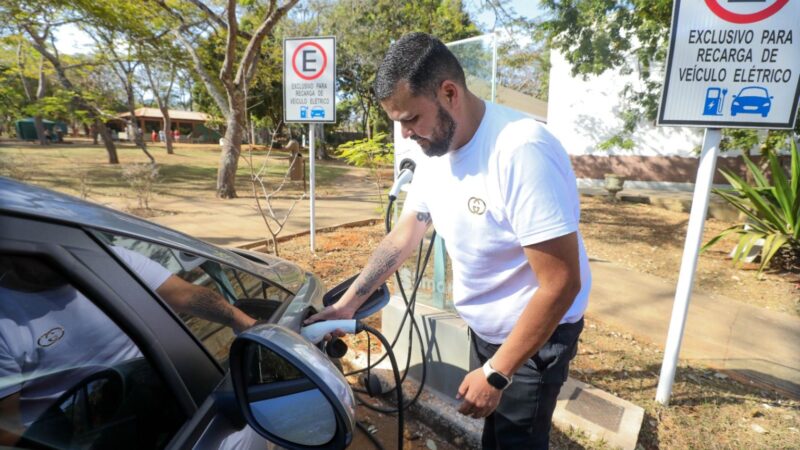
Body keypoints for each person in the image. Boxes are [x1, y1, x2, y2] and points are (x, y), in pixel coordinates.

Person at [305, 32, 591, 449]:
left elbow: (561, 283)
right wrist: (349, 302)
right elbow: (407, 231)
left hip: (536, 337)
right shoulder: (430, 150)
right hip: (487, 328)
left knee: (518, 440)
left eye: (410, 119)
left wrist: (497, 371)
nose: (404, 134)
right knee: (495, 433)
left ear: (449, 92)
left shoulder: (520, 150)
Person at [0, 247, 255, 446]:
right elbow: (8, 429)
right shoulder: (5, 319)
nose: (58, 255)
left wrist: (243, 321)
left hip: (172, 401)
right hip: (83, 439)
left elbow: (186, 295)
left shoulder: (108, 262)